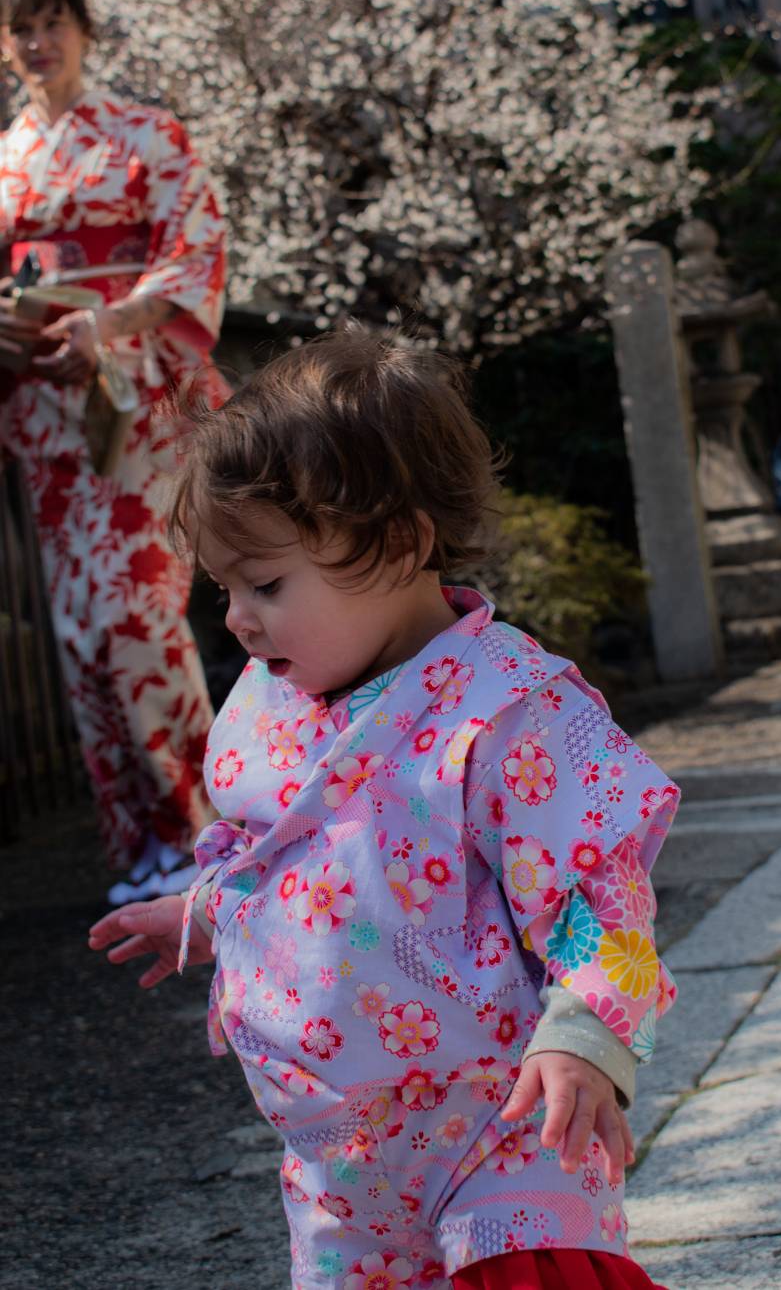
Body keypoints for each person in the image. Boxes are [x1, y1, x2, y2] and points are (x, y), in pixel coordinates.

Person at [90, 327, 681, 1290]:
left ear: (399, 543)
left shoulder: (506, 706)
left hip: (497, 1126)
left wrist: (586, 1036)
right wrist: (200, 913)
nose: (238, 619)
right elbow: (259, 853)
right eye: (227, 588)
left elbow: (596, 891)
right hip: (337, 1159)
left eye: (268, 583)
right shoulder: (271, 703)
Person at [0, 0, 228, 901]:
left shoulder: (148, 134)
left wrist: (109, 324)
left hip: (139, 403)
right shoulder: (4, 155)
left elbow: (197, 248)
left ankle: (204, 830)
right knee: (79, 628)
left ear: (84, 30)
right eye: (20, 28)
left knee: (140, 616)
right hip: (50, 416)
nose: (37, 42)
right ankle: (140, 847)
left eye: (53, 21)